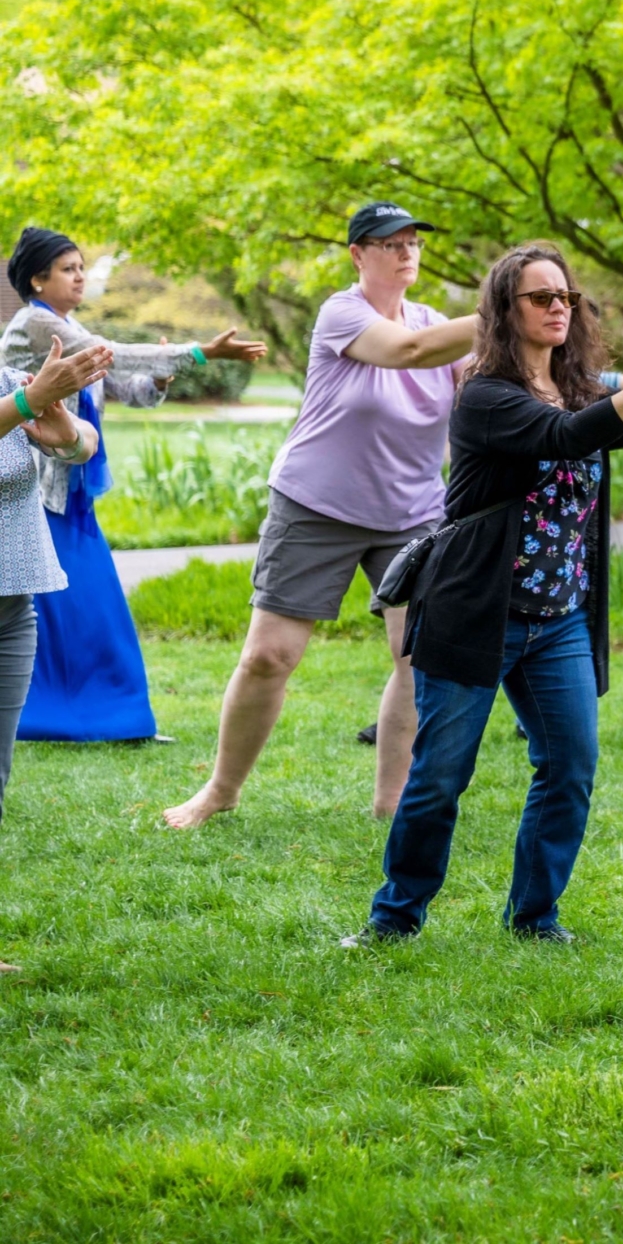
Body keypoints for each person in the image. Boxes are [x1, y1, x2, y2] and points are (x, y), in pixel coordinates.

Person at [346, 246, 623, 944]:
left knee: (569, 767)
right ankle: (394, 919)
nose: (558, 306)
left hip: (559, 619)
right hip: (477, 612)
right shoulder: (485, 395)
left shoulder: (576, 387)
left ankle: (535, 918)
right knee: (442, 777)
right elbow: (569, 439)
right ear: (504, 312)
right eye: (540, 297)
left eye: (565, 294)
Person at [163, 205, 481, 828]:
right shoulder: (344, 314)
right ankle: (220, 791)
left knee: (419, 658)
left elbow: (495, 386)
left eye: (413, 243)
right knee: (268, 656)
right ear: (358, 255)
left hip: (412, 512)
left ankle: (393, 803)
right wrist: (498, 309)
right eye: (391, 244)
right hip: (317, 505)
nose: (406, 253)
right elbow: (408, 351)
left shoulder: (439, 324)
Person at [0, 228, 266, 749]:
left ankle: (112, 717)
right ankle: (61, 716)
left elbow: (128, 389)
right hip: (41, 493)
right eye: (69, 268)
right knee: (71, 610)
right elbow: (112, 353)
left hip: (72, 490)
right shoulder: (35, 325)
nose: (80, 276)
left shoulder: (69, 327)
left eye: (82, 267)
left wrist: (160, 381)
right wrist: (197, 353)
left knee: (93, 610)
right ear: (37, 279)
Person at [0, 337, 111, 827]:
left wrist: (67, 434)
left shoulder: (7, 381)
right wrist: (30, 400)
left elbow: (84, 443)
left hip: (9, 614)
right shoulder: (17, 394)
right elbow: (23, 405)